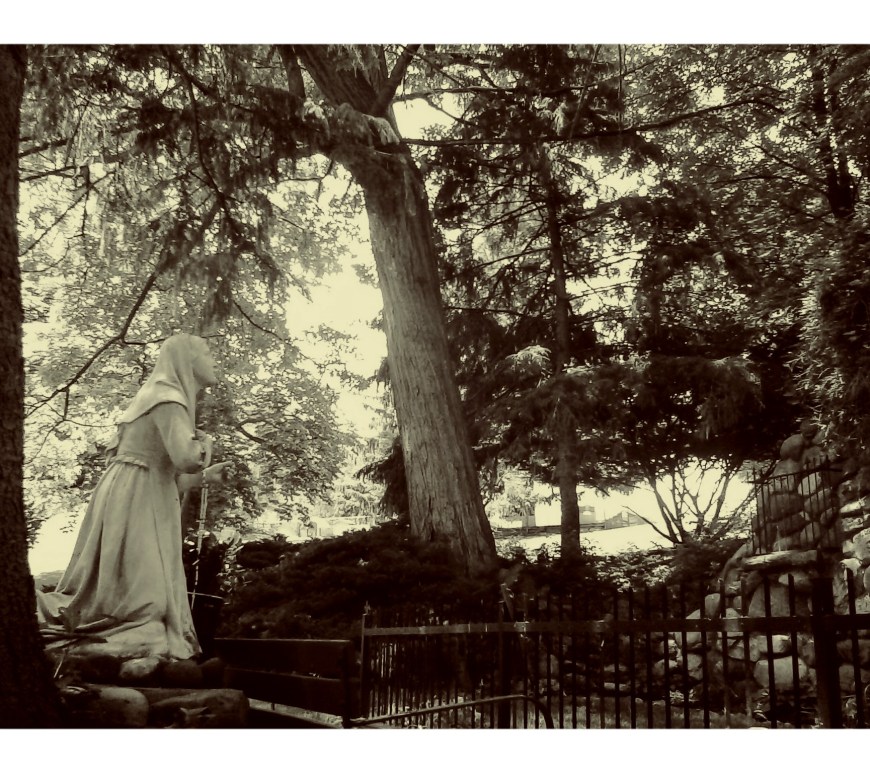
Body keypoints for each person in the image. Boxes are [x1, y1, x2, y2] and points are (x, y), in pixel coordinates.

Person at [37, 333, 231, 661]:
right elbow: (186, 458)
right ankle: (97, 643)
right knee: (143, 598)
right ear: (187, 360)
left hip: (134, 489)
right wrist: (205, 445)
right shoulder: (168, 397)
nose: (214, 361)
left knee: (134, 590)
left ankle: (118, 639)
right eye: (207, 353)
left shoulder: (155, 395)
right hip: (137, 496)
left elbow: (169, 476)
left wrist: (205, 477)